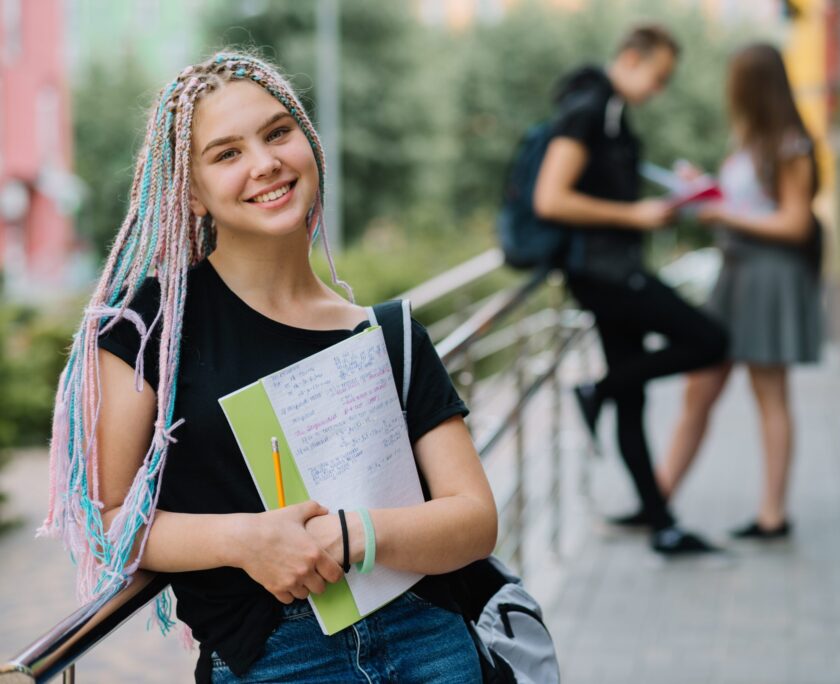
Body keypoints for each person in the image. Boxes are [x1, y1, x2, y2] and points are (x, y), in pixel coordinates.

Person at [40, 52, 497, 683]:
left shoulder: (387, 334)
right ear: (192, 193)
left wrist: (353, 533)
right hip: (272, 662)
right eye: (226, 153)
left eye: (278, 133)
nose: (265, 163)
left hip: (431, 643)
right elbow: (110, 521)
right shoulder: (150, 329)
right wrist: (246, 541)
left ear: (309, 145)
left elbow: (474, 521)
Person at [533, 25, 729, 556]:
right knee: (712, 342)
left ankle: (659, 519)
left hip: (612, 270)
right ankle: (597, 389)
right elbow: (550, 198)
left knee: (633, 399)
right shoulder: (590, 107)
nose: (659, 89)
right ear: (631, 58)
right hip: (605, 275)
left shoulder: (610, 110)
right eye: (658, 76)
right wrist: (633, 214)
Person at [655, 43, 824, 540]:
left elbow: (796, 223)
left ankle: (773, 514)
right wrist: (706, 190)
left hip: (769, 274)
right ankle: (657, 498)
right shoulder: (750, 140)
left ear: (751, 84)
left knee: (769, 392)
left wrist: (724, 212)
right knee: (698, 387)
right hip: (736, 273)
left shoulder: (790, 144)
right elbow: (750, 203)